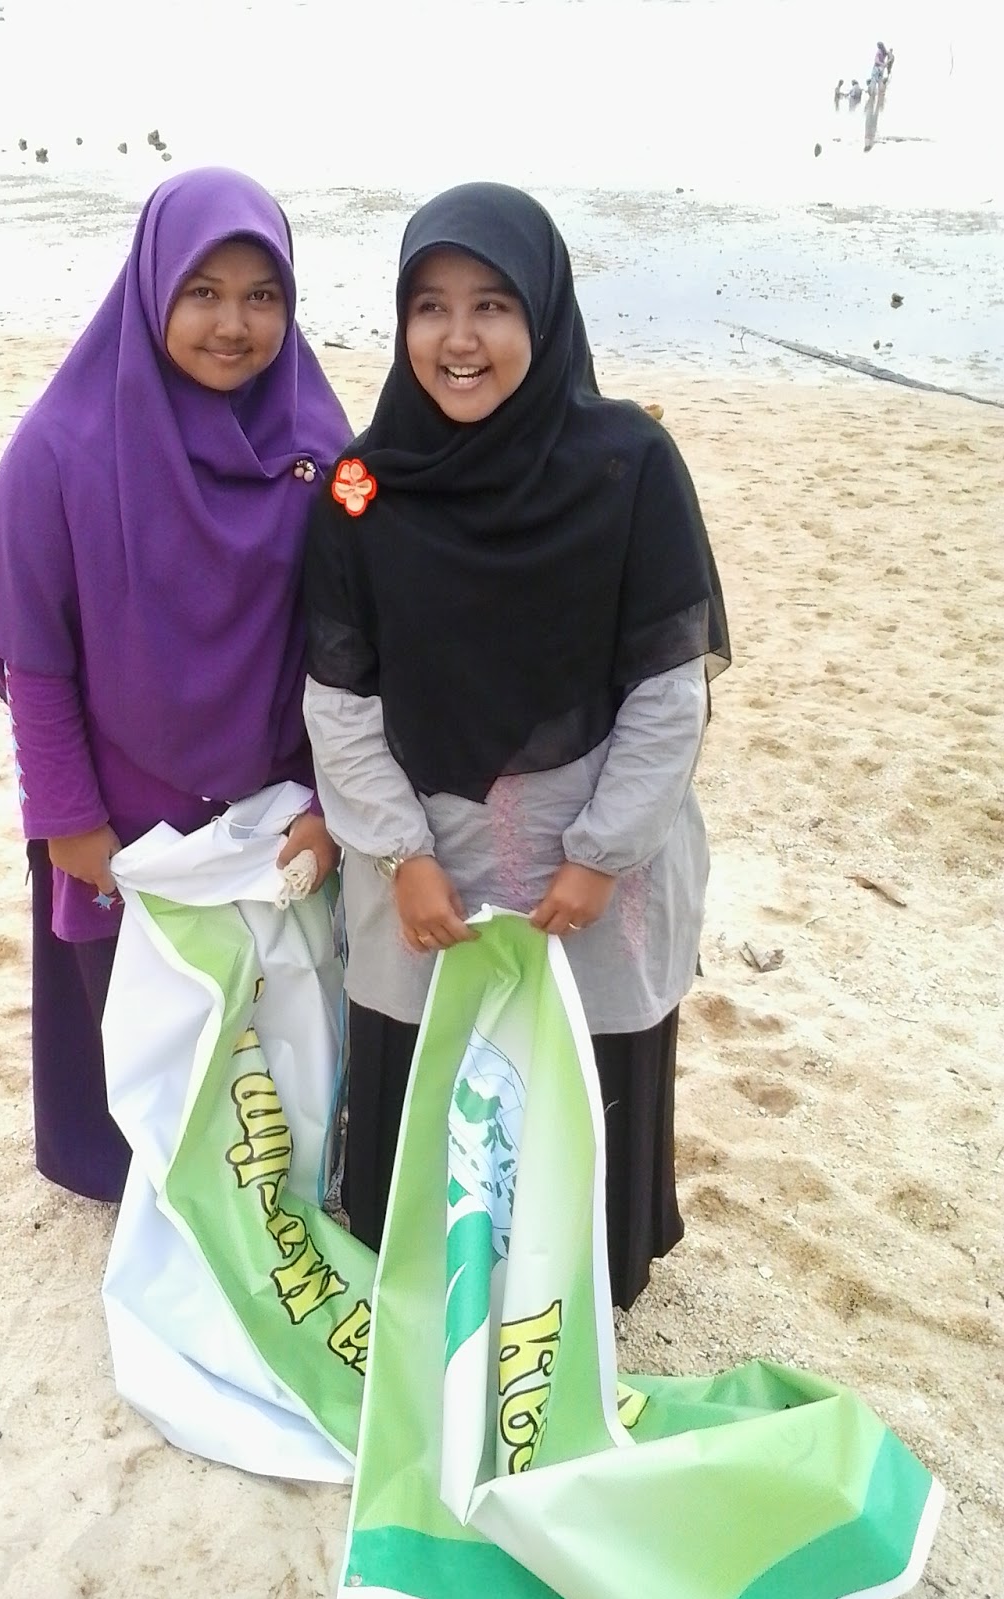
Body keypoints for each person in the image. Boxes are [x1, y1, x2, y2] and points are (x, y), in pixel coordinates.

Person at [303, 183, 729, 1310]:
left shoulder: (630, 465)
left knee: (585, 1058)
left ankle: (582, 1277)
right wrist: (402, 855)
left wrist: (601, 855)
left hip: (591, 864)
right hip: (427, 862)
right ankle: (422, 1269)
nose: (459, 339)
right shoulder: (362, 490)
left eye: (491, 305)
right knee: (425, 1075)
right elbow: (339, 700)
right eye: (430, 307)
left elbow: (667, 692)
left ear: (543, 310)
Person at [0, 168, 350, 1202]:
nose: (233, 324)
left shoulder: (325, 453)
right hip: (119, 814)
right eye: (203, 292)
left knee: (266, 1034)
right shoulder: (61, 448)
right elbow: (34, 655)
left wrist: (330, 800)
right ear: (152, 288)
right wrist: (66, 818)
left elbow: (359, 644)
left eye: (262, 295)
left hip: (271, 816)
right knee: (131, 1022)